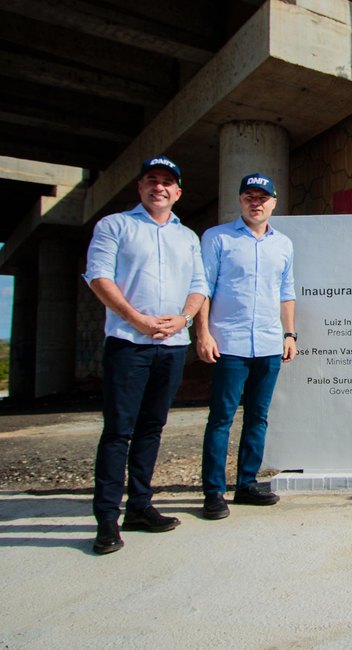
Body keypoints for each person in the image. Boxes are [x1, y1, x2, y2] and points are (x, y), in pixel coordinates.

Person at [84, 155, 207, 554]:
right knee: (119, 430)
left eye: (167, 182)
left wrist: (184, 319)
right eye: (151, 180)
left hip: (171, 346)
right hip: (128, 343)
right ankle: (106, 519)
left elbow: (199, 285)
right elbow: (98, 277)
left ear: (178, 192)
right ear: (140, 188)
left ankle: (139, 506)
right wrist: (136, 318)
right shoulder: (115, 226)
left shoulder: (187, 236)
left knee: (152, 429)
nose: (159, 187)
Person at [195, 173, 296, 520]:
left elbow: (286, 292)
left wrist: (290, 334)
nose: (257, 202)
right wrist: (203, 334)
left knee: (258, 417)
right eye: (250, 196)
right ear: (240, 200)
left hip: (269, 342)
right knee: (221, 418)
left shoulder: (283, 244)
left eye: (263, 197)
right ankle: (213, 492)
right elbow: (202, 288)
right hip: (229, 344)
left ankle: (247, 484)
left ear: (274, 202)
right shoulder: (217, 238)